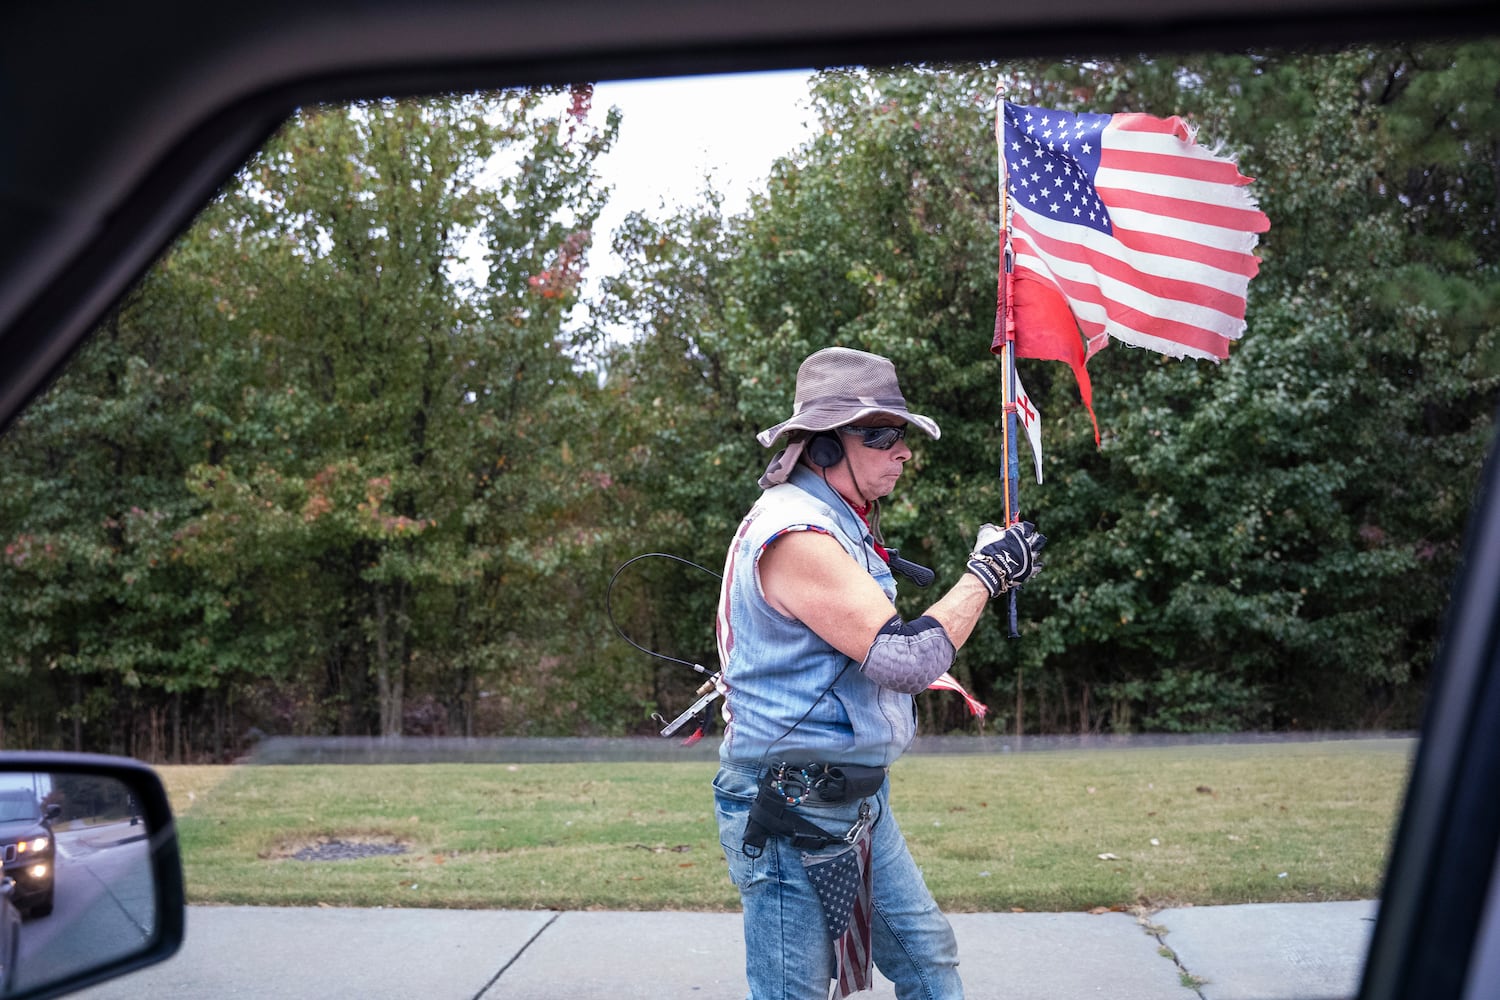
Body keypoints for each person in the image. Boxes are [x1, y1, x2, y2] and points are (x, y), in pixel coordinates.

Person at [713, 346, 1046, 1000]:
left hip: (848, 794)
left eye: (900, 435)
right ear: (825, 448)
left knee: (928, 963)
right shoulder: (797, 532)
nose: (903, 451)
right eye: (883, 435)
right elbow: (907, 658)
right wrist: (986, 574)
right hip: (792, 801)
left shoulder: (837, 523)